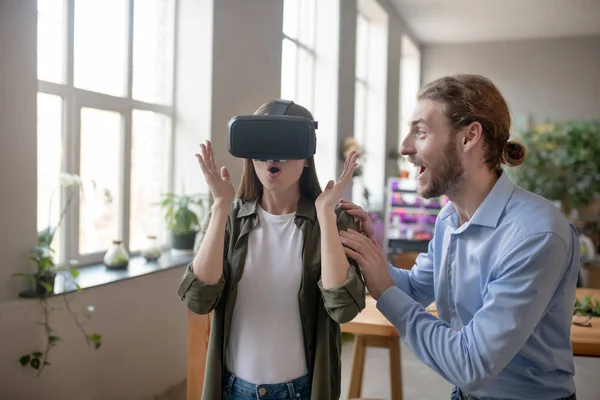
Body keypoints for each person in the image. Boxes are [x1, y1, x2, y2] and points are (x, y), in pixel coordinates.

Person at [339, 74, 580, 400]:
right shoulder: (450, 218)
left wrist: (383, 289)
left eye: (420, 132)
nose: (405, 147)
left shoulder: (535, 236)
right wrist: (367, 253)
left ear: (470, 136)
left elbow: (471, 363)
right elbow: (412, 290)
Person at [177, 100, 366, 400]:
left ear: (306, 158)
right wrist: (220, 207)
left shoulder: (334, 220)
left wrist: (327, 217)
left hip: (301, 391)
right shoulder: (229, 216)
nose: (271, 158)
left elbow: (343, 308)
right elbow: (199, 300)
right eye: (262, 145)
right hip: (233, 389)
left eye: (285, 143)